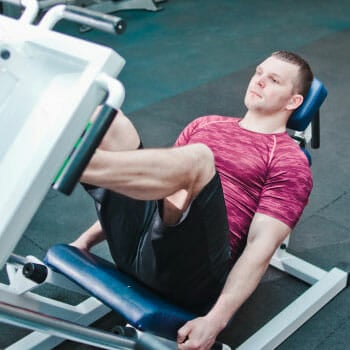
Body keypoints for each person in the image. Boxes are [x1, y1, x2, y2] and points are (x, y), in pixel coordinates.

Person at [71, 51, 314, 350]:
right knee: (109, 120)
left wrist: (214, 321)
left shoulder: (289, 160)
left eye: (273, 79)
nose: (259, 81)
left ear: (293, 102)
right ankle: (71, 162)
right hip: (134, 248)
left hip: (190, 277)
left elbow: (260, 247)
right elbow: (151, 184)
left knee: (198, 158)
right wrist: (83, 243)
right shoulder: (205, 124)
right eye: (259, 72)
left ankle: (67, 162)